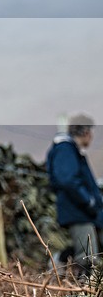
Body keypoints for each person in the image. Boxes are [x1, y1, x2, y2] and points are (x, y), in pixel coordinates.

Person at [46, 114, 100, 273]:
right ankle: (84, 294)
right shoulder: (65, 150)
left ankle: (60, 262)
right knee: (88, 258)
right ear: (85, 132)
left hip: (81, 211)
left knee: (86, 250)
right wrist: (88, 200)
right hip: (78, 211)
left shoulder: (71, 151)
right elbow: (67, 180)